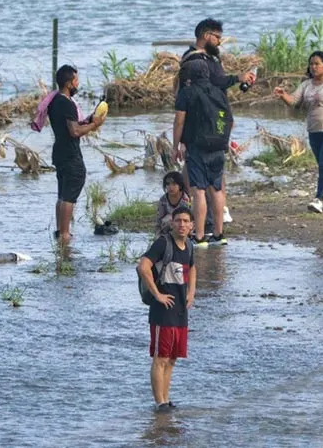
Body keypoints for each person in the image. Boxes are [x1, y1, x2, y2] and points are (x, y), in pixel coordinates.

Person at [178, 18, 254, 228]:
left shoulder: (209, 58)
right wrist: (237, 77)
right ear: (205, 35)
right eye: (217, 37)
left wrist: (227, 116)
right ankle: (206, 218)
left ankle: (212, 217)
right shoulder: (193, 61)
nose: (219, 42)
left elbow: (215, 87)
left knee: (210, 173)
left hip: (214, 121)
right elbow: (211, 85)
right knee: (200, 176)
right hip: (198, 124)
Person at [273, 51, 323, 213]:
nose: (314, 67)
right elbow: (294, 102)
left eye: (317, 64)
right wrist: (283, 95)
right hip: (315, 132)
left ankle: (318, 199)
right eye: (311, 64)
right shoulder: (306, 85)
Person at [137, 206, 197, 412]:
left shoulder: (189, 245)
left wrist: (191, 292)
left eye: (185, 221)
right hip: (163, 311)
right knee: (160, 358)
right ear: (171, 223)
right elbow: (142, 266)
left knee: (172, 359)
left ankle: (166, 399)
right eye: (178, 220)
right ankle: (160, 402)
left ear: (192, 225)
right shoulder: (163, 243)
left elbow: (193, 267)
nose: (181, 225)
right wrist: (157, 294)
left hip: (181, 310)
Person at [173, 60, 231, 247]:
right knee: (217, 188)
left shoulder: (186, 93)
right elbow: (229, 120)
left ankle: (199, 236)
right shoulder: (218, 92)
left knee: (198, 189)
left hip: (197, 146)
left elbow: (179, 121)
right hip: (219, 145)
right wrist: (224, 140)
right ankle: (219, 234)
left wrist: (176, 146)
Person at [48, 65, 106, 244]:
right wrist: (94, 125)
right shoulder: (67, 103)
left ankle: (60, 231)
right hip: (70, 154)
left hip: (59, 151)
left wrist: (88, 120)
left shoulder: (54, 101)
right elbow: (74, 131)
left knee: (62, 194)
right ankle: (65, 234)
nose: (78, 83)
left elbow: (71, 125)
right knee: (69, 196)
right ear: (68, 83)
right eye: (76, 80)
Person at [155, 171, 191, 237]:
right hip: (167, 227)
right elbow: (159, 220)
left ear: (180, 186)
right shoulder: (163, 200)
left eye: (174, 184)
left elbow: (189, 217)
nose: (170, 187)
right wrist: (157, 236)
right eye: (168, 184)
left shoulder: (185, 199)